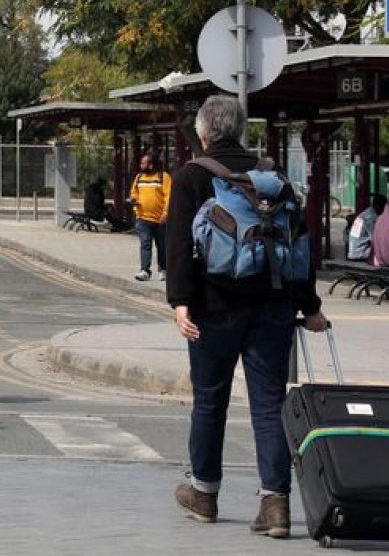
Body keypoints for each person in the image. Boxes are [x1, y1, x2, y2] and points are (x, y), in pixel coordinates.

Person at [166, 95, 328, 540]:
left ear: (202, 133)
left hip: (212, 309)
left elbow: (178, 247)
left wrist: (180, 303)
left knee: (210, 399)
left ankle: (204, 494)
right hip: (273, 307)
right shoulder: (274, 180)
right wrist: (309, 306)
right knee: (268, 404)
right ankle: (275, 504)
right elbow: (299, 245)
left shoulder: (191, 176)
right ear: (240, 131)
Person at [131, 152, 170, 281]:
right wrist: (134, 199)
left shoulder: (163, 177)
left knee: (161, 245)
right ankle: (145, 270)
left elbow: (168, 196)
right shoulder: (139, 177)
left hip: (160, 219)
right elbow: (134, 192)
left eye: (143, 163)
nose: (141, 165)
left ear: (151, 165)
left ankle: (163, 269)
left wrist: (166, 213)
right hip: (142, 218)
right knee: (145, 244)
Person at [346, 193, 387, 262]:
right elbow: (376, 239)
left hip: (354, 252)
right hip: (361, 254)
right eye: (384, 207)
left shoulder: (366, 214)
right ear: (379, 206)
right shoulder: (371, 218)